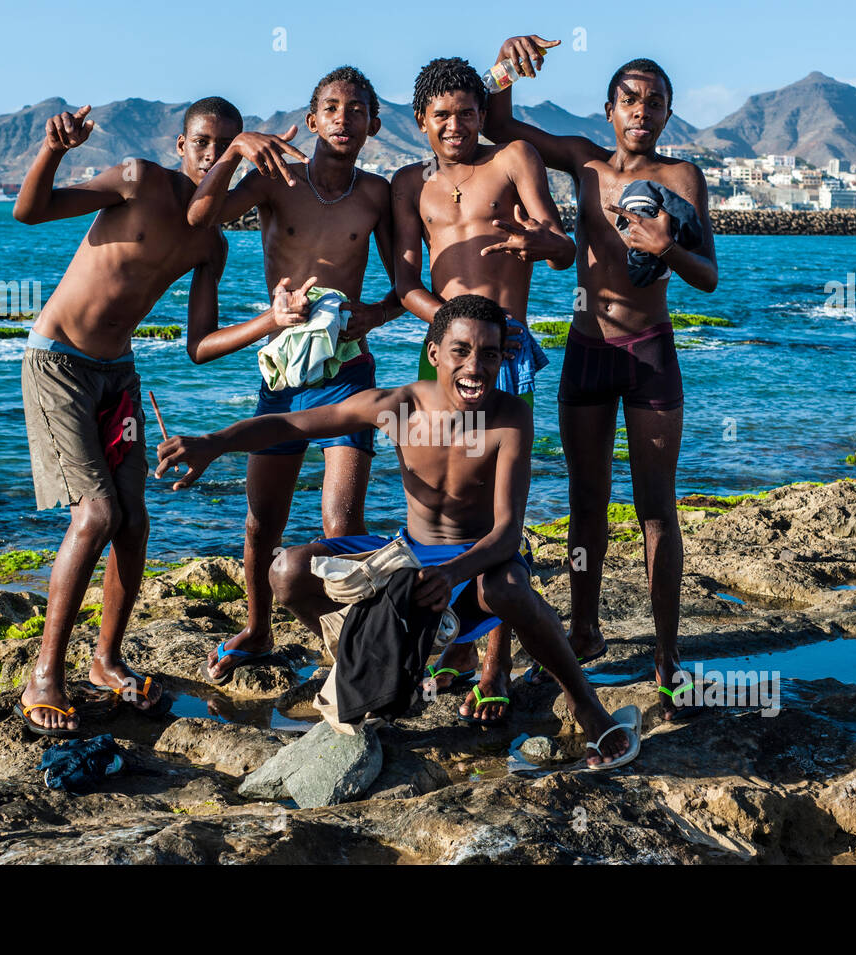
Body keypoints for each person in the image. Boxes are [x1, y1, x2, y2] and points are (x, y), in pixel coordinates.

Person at [155, 295, 638, 767]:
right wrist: (212, 442)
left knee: (508, 584)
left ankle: (587, 708)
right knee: (288, 570)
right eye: (461, 351)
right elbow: (291, 423)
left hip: (477, 566)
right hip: (409, 562)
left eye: (489, 354)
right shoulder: (398, 406)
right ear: (433, 354)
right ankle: (369, 664)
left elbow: (509, 533)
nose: (475, 366)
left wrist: (452, 573)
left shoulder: (510, 417)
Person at [483, 35, 719, 718]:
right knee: (586, 501)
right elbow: (501, 126)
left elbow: (709, 276)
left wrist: (667, 246)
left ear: (667, 114)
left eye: (655, 101)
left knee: (655, 510)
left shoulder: (683, 180)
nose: (641, 110)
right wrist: (504, 64)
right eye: (630, 99)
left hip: (650, 350)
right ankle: (584, 631)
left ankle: (667, 657)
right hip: (588, 347)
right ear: (609, 109)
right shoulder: (584, 165)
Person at [10, 96, 243, 735]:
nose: (209, 157)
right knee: (98, 512)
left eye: (224, 148)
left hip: (119, 377)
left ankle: (104, 660)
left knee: (134, 518)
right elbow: (30, 212)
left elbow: (199, 344)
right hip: (57, 362)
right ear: (179, 145)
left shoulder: (210, 243)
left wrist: (274, 321)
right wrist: (54, 150)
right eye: (200, 143)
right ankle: (45, 674)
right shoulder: (137, 179)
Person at [185, 66, 404, 685]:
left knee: (342, 527)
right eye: (331, 108)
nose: (343, 118)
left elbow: (406, 281)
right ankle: (257, 630)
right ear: (311, 122)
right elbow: (201, 218)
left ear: (373, 125)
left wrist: (378, 312)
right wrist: (231, 151)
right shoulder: (274, 183)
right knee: (263, 520)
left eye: (357, 109)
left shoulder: (377, 194)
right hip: (282, 372)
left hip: (347, 371)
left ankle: (356, 652)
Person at [390, 56, 576, 723]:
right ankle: (457, 640)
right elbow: (405, 279)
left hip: (507, 350)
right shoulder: (409, 184)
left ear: (481, 112)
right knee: (442, 494)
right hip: (441, 348)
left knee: (500, 501)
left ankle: (494, 664)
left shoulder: (515, 159)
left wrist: (543, 240)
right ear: (422, 121)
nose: (456, 125)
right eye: (442, 115)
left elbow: (563, 247)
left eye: (468, 111)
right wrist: (447, 323)